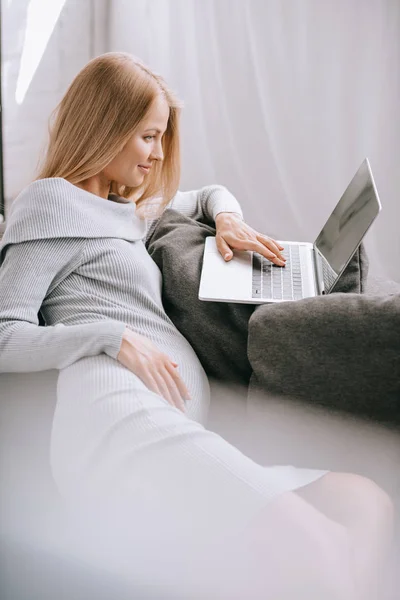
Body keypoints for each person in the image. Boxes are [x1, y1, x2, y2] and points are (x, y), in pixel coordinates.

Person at [0, 52, 393, 598]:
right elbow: (5, 334)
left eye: (161, 137)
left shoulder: (124, 209)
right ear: (104, 128)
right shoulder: (49, 202)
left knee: (365, 500)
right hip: (120, 417)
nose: (157, 154)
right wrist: (110, 339)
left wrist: (228, 220)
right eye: (147, 137)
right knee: (318, 546)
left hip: (172, 420)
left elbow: (208, 194)